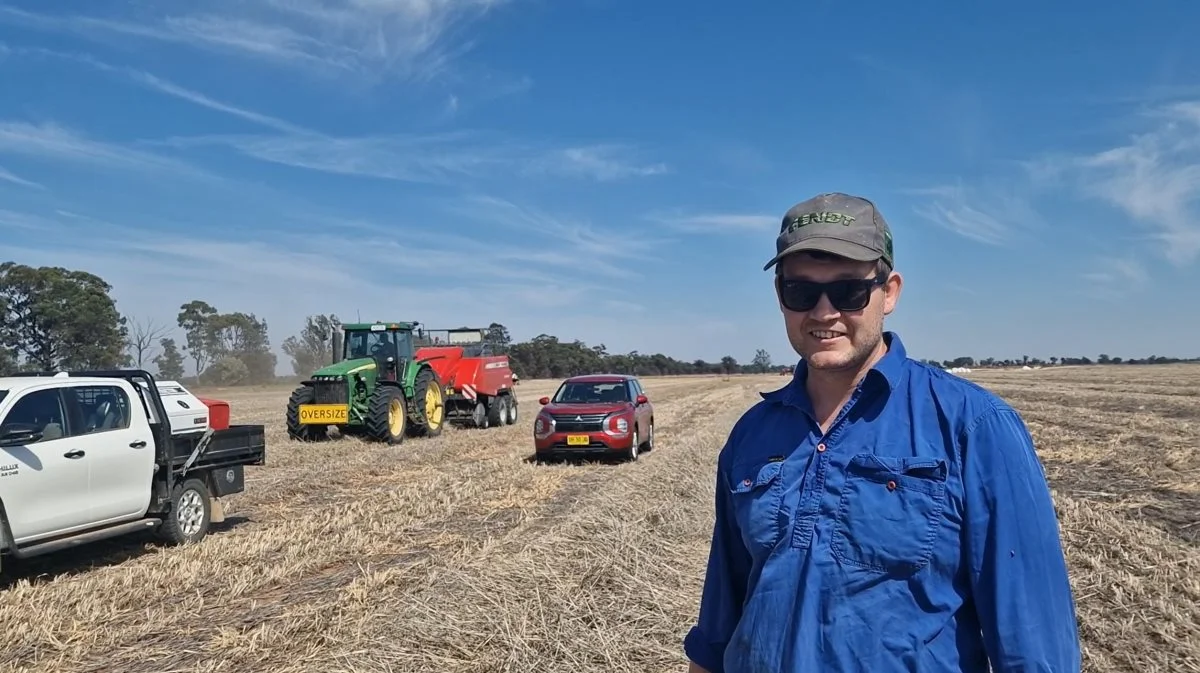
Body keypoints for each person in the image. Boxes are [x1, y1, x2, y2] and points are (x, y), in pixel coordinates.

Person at [682, 192, 1081, 672]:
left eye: (849, 291)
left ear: (888, 292)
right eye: (801, 292)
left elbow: (1034, 642)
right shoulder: (752, 435)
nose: (824, 312)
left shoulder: (974, 427)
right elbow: (721, 617)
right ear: (780, 297)